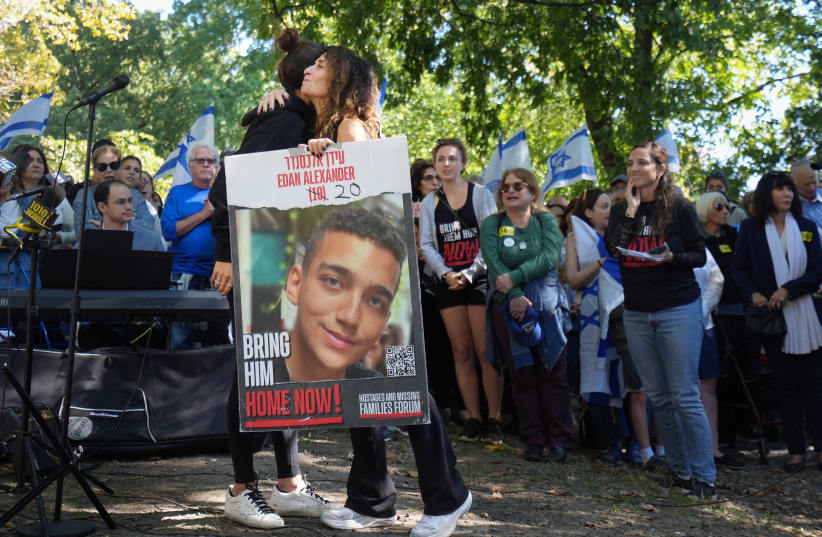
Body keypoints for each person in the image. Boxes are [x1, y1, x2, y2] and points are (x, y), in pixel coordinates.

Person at [297, 45, 472, 537]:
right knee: (365, 389)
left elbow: (367, 209)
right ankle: (371, 500)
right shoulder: (335, 128)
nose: (309, 70)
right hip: (368, 289)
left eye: (321, 66)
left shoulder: (349, 128)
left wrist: (332, 158)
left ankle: (448, 497)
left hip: (380, 288)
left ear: (342, 79)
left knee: (406, 388)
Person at [209, 29, 332, 530]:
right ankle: (241, 489)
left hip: (285, 259)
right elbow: (228, 183)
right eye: (326, 66)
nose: (334, 73)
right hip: (253, 260)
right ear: (307, 78)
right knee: (255, 369)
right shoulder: (283, 119)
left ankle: (288, 484)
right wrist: (225, 255)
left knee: (283, 369)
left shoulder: (304, 119)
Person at [605, 140, 717, 499]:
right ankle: (680, 471)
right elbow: (613, 248)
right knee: (659, 396)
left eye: (642, 163)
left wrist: (672, 258)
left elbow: (699, 256)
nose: (634, 169)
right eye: (631, 163)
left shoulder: (679, 207)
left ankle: (705, 477)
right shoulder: (623, 208)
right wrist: (630, 209)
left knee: (685, 393)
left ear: (660, 169)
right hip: (637, 312)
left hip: (677, 309)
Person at [731, 170, 822, 473]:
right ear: (766, 194)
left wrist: (788, 290)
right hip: (772, 321)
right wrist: (753, 293)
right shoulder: (750, 229)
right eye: (780, 189)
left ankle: (820, 449)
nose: (787, 194)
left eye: (789, 189)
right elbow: (739, 269)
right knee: (786, 388)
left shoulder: (807, 227)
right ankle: (796, 452)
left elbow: (816, 271)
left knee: (814, 387)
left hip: (806, 316)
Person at [481, 168, 573, 463]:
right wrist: (515, 296)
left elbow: (549, 257)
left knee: (553, 373)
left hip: (547, 304)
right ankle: (533, 440)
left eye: (517, 186)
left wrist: (515, 278)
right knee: (521, 375)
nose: (510, 191)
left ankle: (559, 440)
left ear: (532, 191)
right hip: (508, 305)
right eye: (505, 187)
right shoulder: (493, 224)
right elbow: (494, 263)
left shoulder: (545, 220)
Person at [565, 188, 658, 468]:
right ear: (588, 212)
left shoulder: (624, 234)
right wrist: (601, 262)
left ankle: (637, 442)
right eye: (603, 207)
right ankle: (612, 442)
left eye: (611, 206)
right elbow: (573, 280)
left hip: (627, 313)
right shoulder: (576, 238)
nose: (609, 212)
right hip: (595, 316)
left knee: (631, 380)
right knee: (600, 377)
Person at [418, 138, 502, 443]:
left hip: (477, 279)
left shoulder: (480, 195)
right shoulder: (430, 203)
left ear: (463, 163)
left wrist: (469, 272)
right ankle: (473, 418)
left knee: (484, 350)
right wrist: (445, 273)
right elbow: (426, 244)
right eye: (441, 159)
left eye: (452, 158)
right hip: (448, 282)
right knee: (461, 351)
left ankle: (494, 418)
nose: (446, 164)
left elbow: (489, 239)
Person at [281, 207, 406, 381]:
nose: (350, 317)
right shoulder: (247, 372)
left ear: (385, 322)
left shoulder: (387, 391)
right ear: (296, 284)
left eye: (375, 301)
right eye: (333, 282)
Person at [695, 191, 748, 468]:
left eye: (727, 206)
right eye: (718, 206)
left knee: (717, 380)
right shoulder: (694, 239)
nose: (725, 210)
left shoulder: (733, 236)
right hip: (701, 317)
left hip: (728, 313)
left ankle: (717, 446)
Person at [162, 141, 229, 350]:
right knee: (180, 337)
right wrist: (204, 214)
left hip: (220, 274)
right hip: (184, 273)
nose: (206, 165)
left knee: (218, 337)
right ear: (190, 165)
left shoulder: (227, 193)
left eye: (211, 161)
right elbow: (168, 231)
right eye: (201, 161)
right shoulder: (178, 193)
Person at [410, 159, 461, 420]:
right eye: (428, 178)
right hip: (417, 287)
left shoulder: (449, 206)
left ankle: (449, 402)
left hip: (446, 281)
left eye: (437, 178)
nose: (434, 182)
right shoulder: (407, 208)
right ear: (417, 182)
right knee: (425, 346)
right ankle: (427, 403)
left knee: (448, 346)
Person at [0, 145, 74, 288]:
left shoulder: (27, 201)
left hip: (27, 275)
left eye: (9, 174)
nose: (6, 180)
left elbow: (42, 238)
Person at [72, 145, 154, 233]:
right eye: (102, 166)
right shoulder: (84, 196)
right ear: (95, 171)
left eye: (114, 165)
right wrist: (124, 226)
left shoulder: (135, 195)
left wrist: (106, 226)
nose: (108, 170)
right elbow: (83, 233)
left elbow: (148, 225)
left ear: (120, 168)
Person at [92, 179, 164, 251]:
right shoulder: (89, 241)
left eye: (130, 201)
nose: (129, 207)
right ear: (102, 207)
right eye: (121, 202)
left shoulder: (151, 241)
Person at [790, 159, 822, 233]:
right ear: (793, 182)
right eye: (806, 184)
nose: (812, 188)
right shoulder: (789, 206)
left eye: (814, 182)